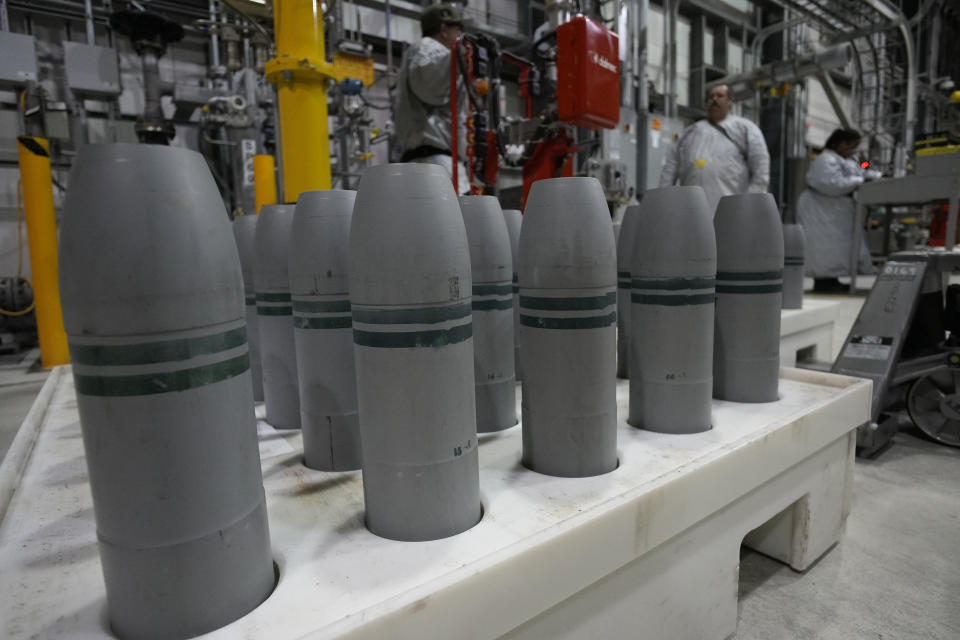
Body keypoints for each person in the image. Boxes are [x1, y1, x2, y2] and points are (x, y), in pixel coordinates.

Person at [659, 84, 771, 212]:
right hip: (691, 212)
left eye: (720, 96)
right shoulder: (690, 132)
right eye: (711, 97)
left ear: (730, 102)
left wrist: (751, 204)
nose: (714, 99)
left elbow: (761, 167)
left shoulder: (745, 129)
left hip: (732, 212)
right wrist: (663, 201)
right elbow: (670, 169)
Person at [393, 3, 468, 192]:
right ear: (443, 29)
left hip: (432, 163)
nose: (459, 36)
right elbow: (429, 83)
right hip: (434, 165)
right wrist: (461, 54)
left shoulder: (429, 53)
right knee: (452, 221)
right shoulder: (429, 49)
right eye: (457, 30)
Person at [796, 128, 873, 294]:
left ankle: (831, 280)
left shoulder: (840, 159)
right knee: (824, 249)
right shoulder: (826, 159)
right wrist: (860, 180)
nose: (852, 150)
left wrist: (864, 176)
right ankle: (824, 282)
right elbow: (830, 183)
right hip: (822, 209)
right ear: (840, 143)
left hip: (831, 209)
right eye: (851, 146)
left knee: (834, 248)